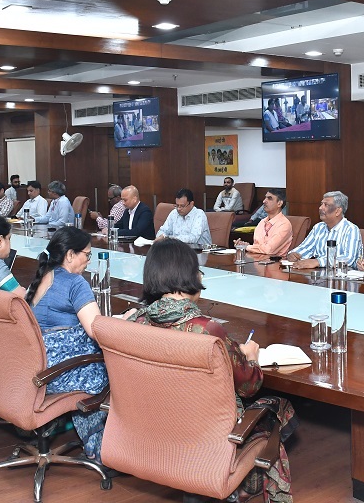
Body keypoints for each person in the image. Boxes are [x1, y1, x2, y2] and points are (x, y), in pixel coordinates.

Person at [127, 239, 297, 503]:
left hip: (157, 422)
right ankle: (242, 481)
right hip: (208, 432)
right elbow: (248, 387)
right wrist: (251, 358)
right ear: (188, 276)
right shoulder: (206, 330)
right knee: (281, 407)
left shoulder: (136, 321)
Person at [25, 227, 107, 462]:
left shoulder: (41, 277)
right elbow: (96, 330)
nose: (88, 262)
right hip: (59, 373)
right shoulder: (75, 283)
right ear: (70, 255)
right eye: (87, 255)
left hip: (35, 369)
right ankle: (99, 446)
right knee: (113, 369)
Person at [286, 191, 363, 270]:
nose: (320, 208)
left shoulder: (351, 229)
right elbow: (306, 248)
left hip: (342, 275)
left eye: (326, 205)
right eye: (321, 204)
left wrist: (318, 262)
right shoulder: (318, 227)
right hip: (321, 273)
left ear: (337, 211)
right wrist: (293, 254)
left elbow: (348, 259)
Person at [236, 188, 292, 258]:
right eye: (265, 198)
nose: (264, 201)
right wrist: (243, 245)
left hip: (275, 262)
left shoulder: (284, 224)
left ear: (279, 203)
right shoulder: (262, 222)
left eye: (269, 198)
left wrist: (247, 247)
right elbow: (258, 245)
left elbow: (268, 250)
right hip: (257, 260)